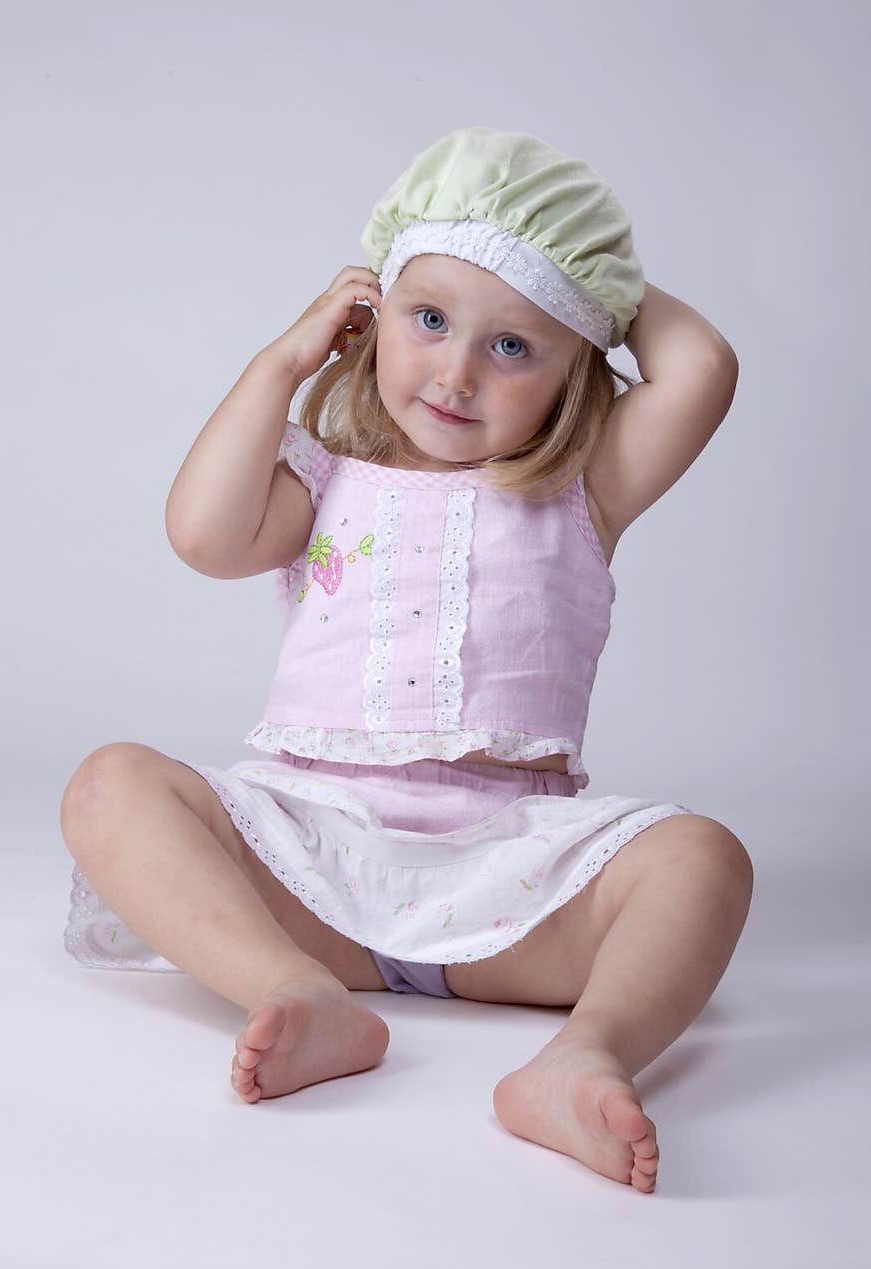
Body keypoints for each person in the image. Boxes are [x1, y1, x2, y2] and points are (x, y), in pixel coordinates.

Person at [60, 126, 752, 1194]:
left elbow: (700, 367)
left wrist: (583, 269)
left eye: (513, 346)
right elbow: (201, 534)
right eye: (429, 319)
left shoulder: (583, 488)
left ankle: (583, 1054)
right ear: (370, 314)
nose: (457, 372)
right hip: (316, 867)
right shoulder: (321, 480)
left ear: (578, 366)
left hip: (514, 883)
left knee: (702, 856)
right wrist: (279, 361)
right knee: (110, 784)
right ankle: (292, 989)